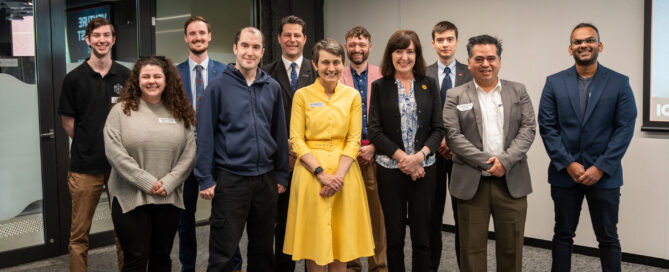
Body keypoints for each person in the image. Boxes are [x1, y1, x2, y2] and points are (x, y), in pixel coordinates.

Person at [538, 23, 636, 272]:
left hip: (604, 176)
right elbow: (548, 127)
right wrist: (568, 163)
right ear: (570, 49)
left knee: (608, 238)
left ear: (599, 46)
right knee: (562, 235)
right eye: (578, 42)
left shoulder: (619, 82)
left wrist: (600, 167)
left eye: (589, 40)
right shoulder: (554, 83)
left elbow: (624, 128)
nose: (584, 45)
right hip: (564, 174)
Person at [196, 26, 289, 272]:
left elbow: (279, 133)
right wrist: (204, 177)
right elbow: (205, 135)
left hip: (266, 181)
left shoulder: (272, 87)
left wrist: (281, 174)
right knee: (223, 253)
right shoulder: (217, 87)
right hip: (231, 180)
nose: (250, 52)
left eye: (255, 47)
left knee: (262, 251)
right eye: (245, 46)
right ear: (235, 48)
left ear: (263, 52)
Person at [443, 35, 536, 272]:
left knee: (511, 248)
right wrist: (488, 163)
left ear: (500, 61)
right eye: (479, 58)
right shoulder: (455, 95)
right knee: (471, 250)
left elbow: (528, 129)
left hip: (511, 180)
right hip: (472, 184)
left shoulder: (518, 91)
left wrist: (504, 161)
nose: (486, 63)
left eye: (491, 58)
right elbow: (454, 137)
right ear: (470, 61)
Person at [283, 38, 374, 272]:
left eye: (336, 62)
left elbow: (353, 140)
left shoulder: (352, 96)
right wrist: (322, 174)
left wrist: (338, 178)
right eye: (325, 62)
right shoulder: (302, 96)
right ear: (314, 65)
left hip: (345, 174)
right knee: (314, 242)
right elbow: (296, 140)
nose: (331, 68)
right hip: (310, 174)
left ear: (343, 64)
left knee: (340, 240)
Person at [104, 55, 196, 271]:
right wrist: (147, 181)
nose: (151, 81)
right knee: (136, 258)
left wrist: (169, 182)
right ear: (137, 80)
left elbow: (190, 151)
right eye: (146, 76)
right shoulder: (120, 110)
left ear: (166, 80)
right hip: (130, 197)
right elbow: (114, 151)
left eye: (157, 76)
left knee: (161, 257)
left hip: (168, 195)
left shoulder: (180, 111)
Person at [367, 30, 444, 272]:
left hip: (424, 170)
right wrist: (404, 159)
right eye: (398, 50)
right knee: (395, 237)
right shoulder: (380, 86)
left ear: (417, 54)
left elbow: (438, 128)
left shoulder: (429, 83)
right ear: (390, 54)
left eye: (410, 51)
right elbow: (375, 130)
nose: (404, 56)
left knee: (423, 237)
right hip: (390, 171)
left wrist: (419, 157)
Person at [57, 17, 127, 272]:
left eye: (107, 35)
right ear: (87, 40)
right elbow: (68, 123)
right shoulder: (73, 79)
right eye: (96, 35)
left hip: (120, 168)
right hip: (84, 168)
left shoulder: (126, 75)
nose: (102, 40)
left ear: (113, 39)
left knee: (124, 232)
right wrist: (91, 142)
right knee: (79, 235)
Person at [175, 15, 242, 272]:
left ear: (209, 36)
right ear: (186, 38)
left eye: (202, 33)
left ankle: (233, 264)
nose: (198, 37)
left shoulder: (226, 71)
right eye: (192, 33)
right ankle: (188, 267)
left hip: (219, 155)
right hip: (185, 156)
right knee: (185, 218)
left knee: (226, 217)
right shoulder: (174, 74)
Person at [261, 15, 318, 272]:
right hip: (278, 161)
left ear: (305, 39)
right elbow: (260, 117)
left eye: (297, 35)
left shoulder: (318, 71)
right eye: (288, 35)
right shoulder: (265, 73)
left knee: (311, 223)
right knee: (281, 223)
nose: (292, 40)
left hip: (312, 160)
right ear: (279, 39)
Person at [338, 26, 387, 272]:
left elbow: (391, 119)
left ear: (370, 46)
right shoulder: (336, 74)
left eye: (361, 44)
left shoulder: (384, 75)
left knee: (377, 215)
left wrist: (374, 147)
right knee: (349, 214)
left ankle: (378, 266)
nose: (357, 49)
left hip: (375, 155)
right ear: (346, 47)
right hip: (345, 157)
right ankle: (352, 264)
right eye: (352, 44)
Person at [425, 20, 473, 271]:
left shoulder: (471, 72)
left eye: (449, 39)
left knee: (462, 216)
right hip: (431, 154)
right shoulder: (422, 73)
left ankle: (465, 266)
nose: (445, 44)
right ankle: (431, 266)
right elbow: (422, 115)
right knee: (432, 216)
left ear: (456, 42)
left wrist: (454, 142)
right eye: (440, 40)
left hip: (461, 154)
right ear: (433, 44)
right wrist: (438, 141)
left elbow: (475, 115)